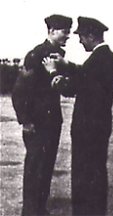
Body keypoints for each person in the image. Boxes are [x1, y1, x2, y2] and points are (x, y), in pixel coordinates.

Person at [43, 16, 113, 215]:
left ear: (90, 36)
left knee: (83, 176)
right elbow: (85, 74)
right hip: (100, 125)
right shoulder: (109, 59)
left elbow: (72, 87)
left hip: (87, 129)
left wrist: (53, 73)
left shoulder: (96, 61)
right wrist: (66, 63)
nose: (79, 40)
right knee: (96, 173)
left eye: (81, 37)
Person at [11, 14, 72, 215]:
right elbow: (20, 91)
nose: (68, 35)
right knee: (35, 167)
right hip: (36, 123)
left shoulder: (57, 56)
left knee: (46, 168)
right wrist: (25, 121)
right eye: (64, 31)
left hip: (51, 121)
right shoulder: (36, 55)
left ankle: (39, 208)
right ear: (52, 31)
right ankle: (30, 211)